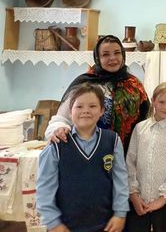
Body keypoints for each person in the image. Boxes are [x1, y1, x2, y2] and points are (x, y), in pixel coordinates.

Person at [37, 83, 129, 232]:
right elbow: (44, 188)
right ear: (70, 111)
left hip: (106, 224)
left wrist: (120, 213)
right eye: (79, 106)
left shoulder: (112, 140)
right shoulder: (57, 144)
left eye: (92, 106)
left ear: (102, 110)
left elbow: (121, 181)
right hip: (66, 226)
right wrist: (53, 223)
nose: (86, 111)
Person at [45, 35, 150, 152]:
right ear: (97, 58)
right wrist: (59, 129)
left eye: (117, 53)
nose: (112, 58)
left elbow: (146, 120)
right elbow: (62, 119)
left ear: (123, 55)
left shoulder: (134, 85)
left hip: (128, 155)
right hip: (89, 152)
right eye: (105, 54)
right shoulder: (85, 84)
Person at [125, 83, 166, 232]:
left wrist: (163, 198)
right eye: (162, 102)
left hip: (165, 203)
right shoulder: (140, 128)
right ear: (153, 101)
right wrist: (133, 194)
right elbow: (130, 162)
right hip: (138, 200)